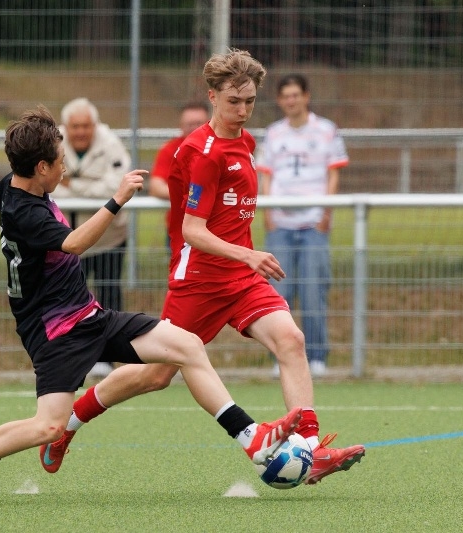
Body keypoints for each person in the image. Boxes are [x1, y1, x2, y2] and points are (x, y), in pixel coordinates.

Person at [0, 105, 303, 504]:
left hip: (90, 316)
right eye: (60, 163)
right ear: (41, 168)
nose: (65, 169)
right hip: (56, 334)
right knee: (48, 427)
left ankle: (251, 437)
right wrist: (117, 199)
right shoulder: (26, 212)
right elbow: (75, 243)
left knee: (187, 345)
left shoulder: (14, 184)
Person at [40, 50, 365, 487]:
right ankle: (68, 424)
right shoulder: (202, 152)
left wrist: (244, 259)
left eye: (249, 101)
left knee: (291, 339)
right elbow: (192, 231)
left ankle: (310, 450)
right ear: (212, 96)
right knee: (156, 375)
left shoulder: (247, 143)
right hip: (198, 280)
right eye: (234, 101)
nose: (243, 110)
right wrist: (247, 254)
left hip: (241, 278)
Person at [257, 74, 348, 379]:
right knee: (277, 294)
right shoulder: (273, 134)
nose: (291, 101)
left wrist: (326, 212)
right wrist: (268, 212)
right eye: (285, 96)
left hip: (312, 222)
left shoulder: (326, 130)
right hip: (281, 223)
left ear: (306, 96)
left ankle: (317, 356)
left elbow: (333, 173)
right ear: (279, 100)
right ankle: (280, 357)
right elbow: (266, 174)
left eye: (296, 95)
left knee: (313, 290)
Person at [52, 97, 131, 378]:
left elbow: (116, 188)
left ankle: (107, 357)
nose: (81, 132)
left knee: (109, 296)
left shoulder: (111, 144)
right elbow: (46, 186)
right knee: (69, 300)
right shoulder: (52, 142)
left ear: (94, 125)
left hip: (110, 238)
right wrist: (90, 189)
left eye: (86, 126)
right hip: (70, 242)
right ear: (66, 126)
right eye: (75, 126)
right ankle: (73, 357)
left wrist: (72, 185)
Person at [148, 102, 210, 224]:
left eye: (199, 124)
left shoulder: (221, 147)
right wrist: (195, 194)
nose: (194, 128)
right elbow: (156, 187)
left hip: (216, 223)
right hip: (179, 225)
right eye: (189, 124)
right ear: (181, 126)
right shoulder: (170, 150)